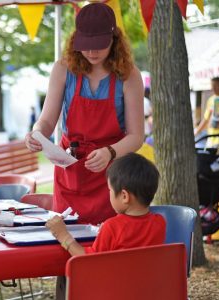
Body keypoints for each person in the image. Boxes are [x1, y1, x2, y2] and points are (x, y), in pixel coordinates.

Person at [24, 2, 144, 225]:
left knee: (106, 243)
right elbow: (47, 120)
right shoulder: (63, 69)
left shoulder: (129, 75)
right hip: (70, 169)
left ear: (113, 38)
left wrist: (110, 152)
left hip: (112, 176)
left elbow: (137, 136)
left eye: (98, 44)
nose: (91, 52)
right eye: (86, 45)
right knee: (64, 236)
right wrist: (36, 134)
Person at [46, 152, 166, 256]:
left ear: (124, 196)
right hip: (147, 282)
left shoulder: (112, 227)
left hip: (114, 282)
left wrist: (63, 236)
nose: (109, 195)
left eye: (110, 190)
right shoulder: (160, 222)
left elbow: (89, 259)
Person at [194, 77, 219, 142]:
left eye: (215, 86)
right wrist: (197, 131)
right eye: (212, 86)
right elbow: (206, 119)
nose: (213, 88)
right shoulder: (211, 99)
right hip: (211, 138)